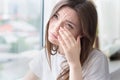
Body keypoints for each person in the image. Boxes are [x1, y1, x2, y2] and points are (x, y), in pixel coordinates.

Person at [23, 0, 111, 80]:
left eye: (69, 25)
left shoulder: (96, 60)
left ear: (82, 33)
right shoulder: (46, 54)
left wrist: (74, 65)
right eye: (56, 16)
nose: (56, 27)